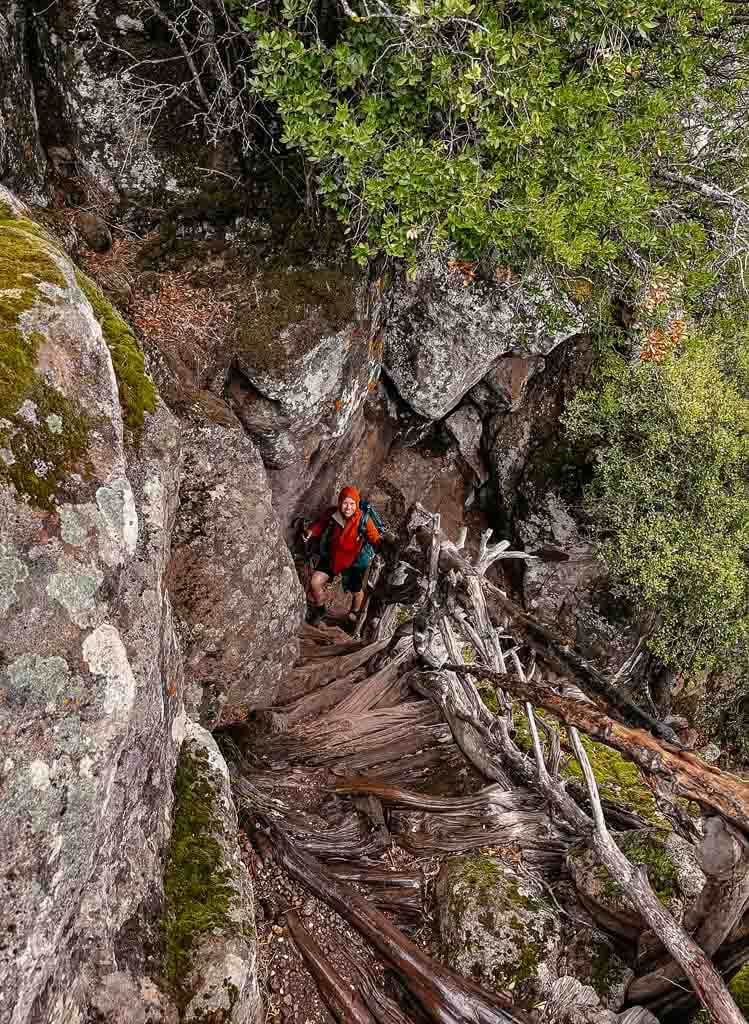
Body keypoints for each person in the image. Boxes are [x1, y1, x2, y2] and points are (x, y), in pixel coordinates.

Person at [304, 485, 382, 630]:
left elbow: (375, 538)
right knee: (315, 582)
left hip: (352, 562)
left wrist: (382, 546)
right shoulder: (333, 514)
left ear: (356, 504)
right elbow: (321, 524)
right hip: (332, 557)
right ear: (340, 502)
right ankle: (320, 610)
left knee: (357, 592)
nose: (348, 507)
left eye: (352, 504)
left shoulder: (364, 520)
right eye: (345, 503)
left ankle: (353, 615)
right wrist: (311, 532)